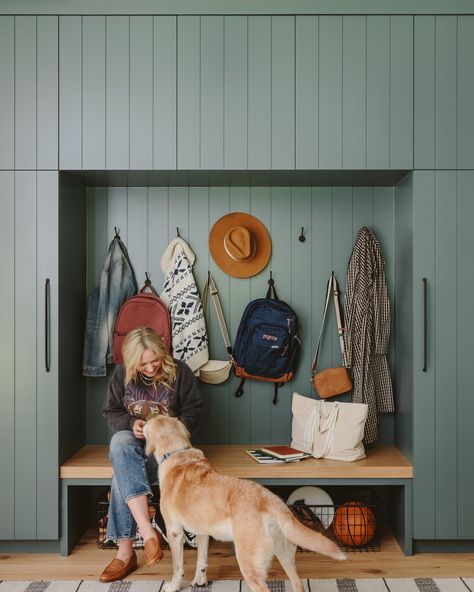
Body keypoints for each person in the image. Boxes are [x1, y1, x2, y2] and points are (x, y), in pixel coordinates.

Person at [99, 325, 203, 583]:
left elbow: (194, 410)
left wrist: (170, 431)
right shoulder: (122, 374)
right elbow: (111, 411)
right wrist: (129, 424)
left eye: (155, 360)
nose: (150, 367)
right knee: (120, 442)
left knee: (120, 476)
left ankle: (125, 553)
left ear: (163, 352)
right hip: (134, 447)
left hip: (168, 452)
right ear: (133, 361)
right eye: (143, 364)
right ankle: (147, 532)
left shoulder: (180, 372)